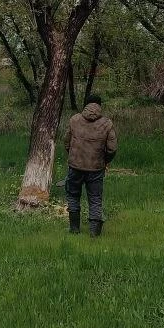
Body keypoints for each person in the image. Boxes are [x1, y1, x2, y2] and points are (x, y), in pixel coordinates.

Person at [63, 95, 117, 237]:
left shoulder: (74, 120)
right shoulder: (107, 124)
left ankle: (74, 229)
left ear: (85, 105)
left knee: (73, 195)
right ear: (99, 106)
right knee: (95, 198)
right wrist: (105, 161)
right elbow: (112, 149)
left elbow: (66, 142)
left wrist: (73, 157)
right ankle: (94, 233)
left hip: (75, 167)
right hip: (96, 168)